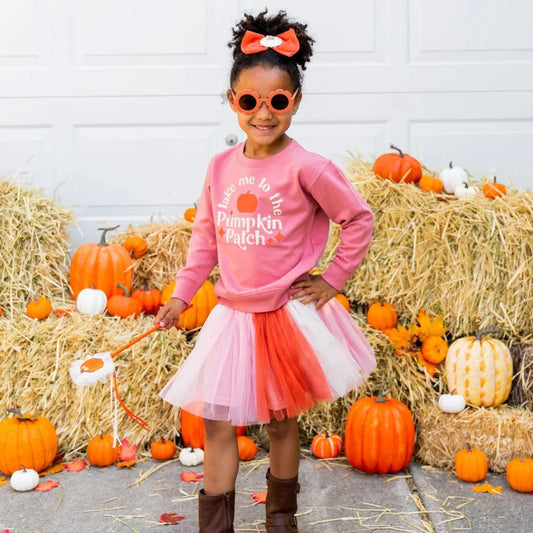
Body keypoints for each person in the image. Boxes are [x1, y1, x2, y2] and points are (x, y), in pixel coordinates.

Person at [155, 9, 376, 533]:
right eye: (250, 101)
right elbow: (205, 240)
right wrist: (183, 295)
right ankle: (215, 525)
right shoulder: (219, 168)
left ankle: (281, 519)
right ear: (233, 101)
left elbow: (358, 218)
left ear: (295, 102)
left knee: (280, 421)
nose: (264, 113)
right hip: (232, 315)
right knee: (215, 418)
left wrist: (333, 278)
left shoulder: (308, 167)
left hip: (284, 314)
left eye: (277, 101)